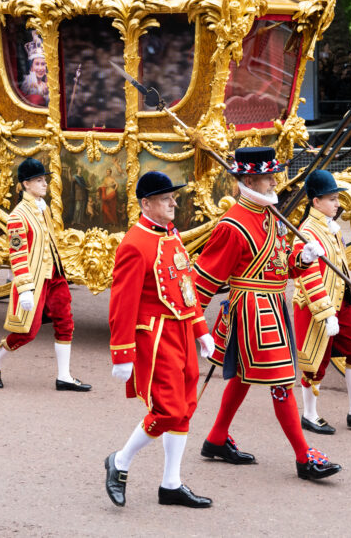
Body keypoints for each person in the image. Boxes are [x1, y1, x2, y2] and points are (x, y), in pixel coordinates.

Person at [193, 147, 341, 482]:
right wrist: (195, 326)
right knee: (281, 381)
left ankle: (216, 438)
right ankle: (305, 456)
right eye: (267, 177)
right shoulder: (232, 225)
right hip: (250, 310)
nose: (275, 181)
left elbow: (281, 264)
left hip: (274, 306)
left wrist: (301, 259)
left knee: (245, 376)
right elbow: (203, 279)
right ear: (249, 180)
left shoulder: (271, 215)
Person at [104, 171, 215, 509]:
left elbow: (186, 288)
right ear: (146, 204)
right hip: (155, 335)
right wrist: (122, 354)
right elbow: (122, 304)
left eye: (173, 197)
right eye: (166, 199)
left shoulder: (171, 235)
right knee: (168, 409)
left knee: (185, 409)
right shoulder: (134, 244)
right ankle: (120, 461)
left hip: (181, 331)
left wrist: (201, 330)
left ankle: (171, 483)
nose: (173, 203)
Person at [291, 169, 351, 433]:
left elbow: (341, 269)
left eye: (337, 198)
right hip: (318, 307)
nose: (337, 204)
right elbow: (305, 276)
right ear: (316, 202)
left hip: (341, 303)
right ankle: (309, 415)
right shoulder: (307, 231)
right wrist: (325, 312)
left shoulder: (331, 228)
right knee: (316, 362)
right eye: (332, 199)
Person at [0, 158, 90, 391]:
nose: (45, 184)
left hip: (55, 275)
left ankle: (64, 376)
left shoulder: (44, 208)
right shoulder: (17, 217)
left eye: (44, 180)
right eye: (39, 180)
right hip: (34, 280)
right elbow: (18, 255)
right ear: (25, 184)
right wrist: (24, 289)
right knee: (28, 331)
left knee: (66, 321)